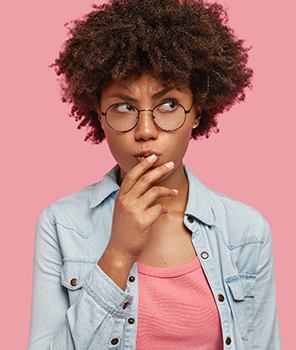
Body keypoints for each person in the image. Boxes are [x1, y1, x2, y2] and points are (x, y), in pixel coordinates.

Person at [26, 0, 281, 349]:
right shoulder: (61, 224)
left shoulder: (246, 232)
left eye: (169, 105)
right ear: (99, 115)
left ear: (197, 112)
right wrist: (117, 254)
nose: (145, 130)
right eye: (124, 107)